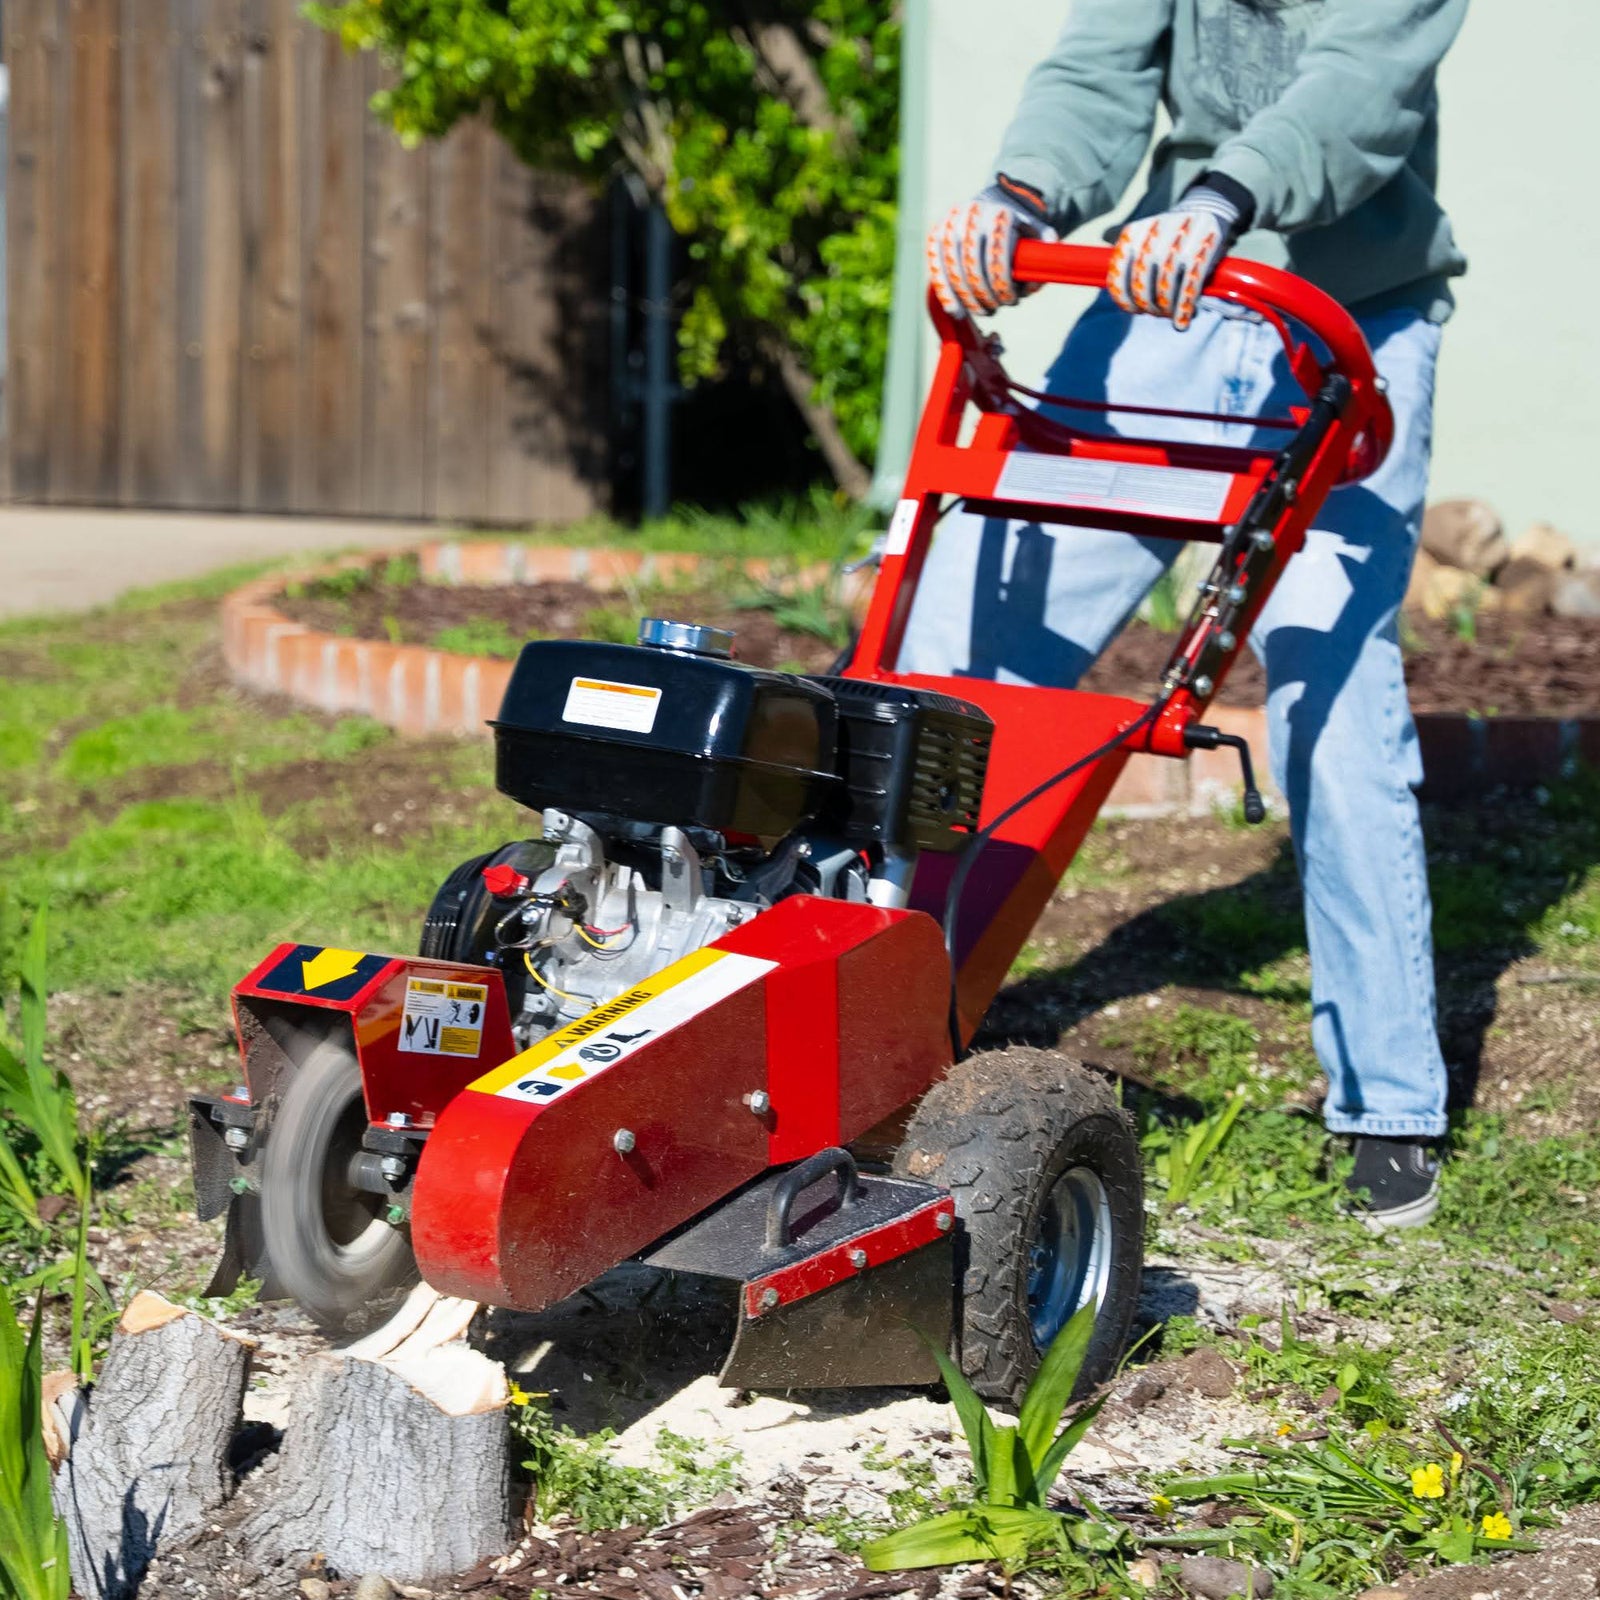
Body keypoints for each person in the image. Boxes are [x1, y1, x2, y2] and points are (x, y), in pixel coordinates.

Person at [907, 0, 1469, 1228]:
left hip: (1346, 320)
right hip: (1172, 301)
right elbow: (1100, 68)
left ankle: (1388, 1104)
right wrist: (1023, 194)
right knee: (954, 644)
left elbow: (1359, 87)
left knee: (1332, 691)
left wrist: (1223, 199)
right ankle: (874, 1012)